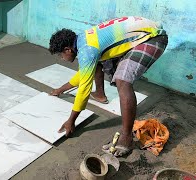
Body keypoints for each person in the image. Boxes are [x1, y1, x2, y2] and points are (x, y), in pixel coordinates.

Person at [48, 16, 168, 157]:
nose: (62, 58)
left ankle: (126, 137)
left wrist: (71, 121)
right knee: (98, 64)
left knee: (122, 80)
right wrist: (60, 90)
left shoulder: (87, 50)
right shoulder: (82, 39)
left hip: (153, 38)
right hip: (144, 32)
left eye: (61, 55)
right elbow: (84, 74)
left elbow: (84, 90)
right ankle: (100, 95)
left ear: (68, 49)